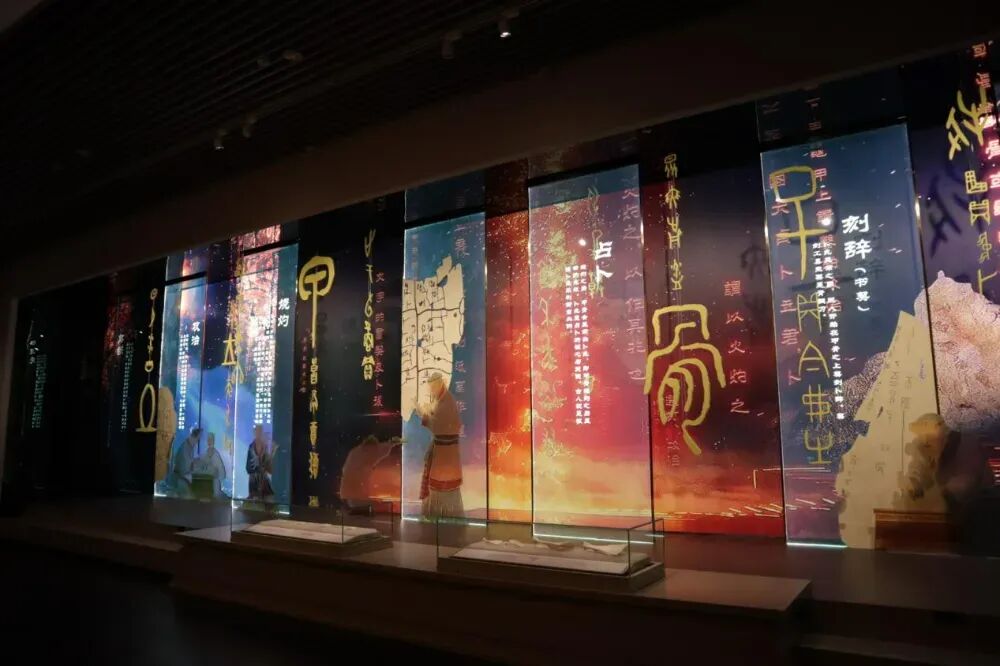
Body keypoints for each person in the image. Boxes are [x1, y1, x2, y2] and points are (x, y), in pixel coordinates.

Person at [417, 372, 463, 517]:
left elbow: (438, 426)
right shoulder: (442, 399)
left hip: (445, 453)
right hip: (442, 451)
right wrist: (426, 411)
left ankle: (441, 516)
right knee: (436, 487)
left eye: (432, 387)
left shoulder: (447, 402)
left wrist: (423, 415)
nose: (431, 391)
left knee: (442, 488)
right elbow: (436, 416)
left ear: (439, 385)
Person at [192, 432, 227, 498]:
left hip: (214, 483)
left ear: (213, 441)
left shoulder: (215, 454)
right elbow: (200, 460)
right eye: (208, 439)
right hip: (207, 484)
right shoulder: (206, 453)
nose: (209, 441)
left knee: (216, 495)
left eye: (210, 439)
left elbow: (220, 471)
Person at [170, 428, 200, 497]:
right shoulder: (184, 447)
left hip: (182, 478)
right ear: (193, 437)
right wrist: (194, 463)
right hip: (179, 479)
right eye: (197, 440)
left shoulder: (190, 447)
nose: (197, 443)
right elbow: (184, 468)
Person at [246, 424, 274, 500]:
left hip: (264, 480)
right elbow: (248, 467)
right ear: (255, 432)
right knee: (255, 500)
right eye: (257, 431)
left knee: (269, 498)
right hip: (254, 481)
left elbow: (270, 469)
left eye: (260, 431)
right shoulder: (251, 447)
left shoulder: (265, 447)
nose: (258, 433)